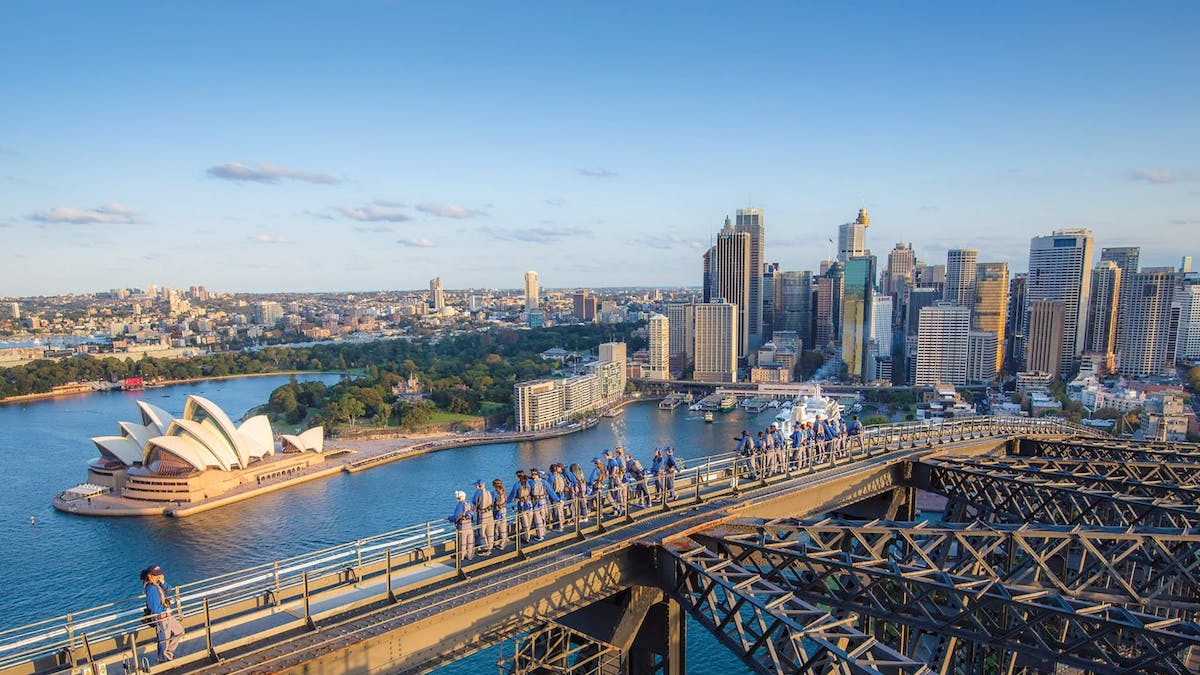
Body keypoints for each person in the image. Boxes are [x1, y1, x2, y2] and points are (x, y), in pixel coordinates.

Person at [142, 565, 184, 663]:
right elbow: (154, 608)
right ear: (150, 576)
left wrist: (163, 582)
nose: (158, 576)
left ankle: (168, 653)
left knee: (179, 631)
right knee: (164, 639)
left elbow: (169, 589)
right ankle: (163, 660)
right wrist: (166, 606)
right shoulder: (151, 589)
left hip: (166, 614)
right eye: (156, 575)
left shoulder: (157, 584)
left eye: (159, 574)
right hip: (160, 617)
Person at [446, 490, 475, 562]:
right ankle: (469, 555)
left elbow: (456, 516)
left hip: (462, 525)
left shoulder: (460, 505)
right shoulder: (469, 503)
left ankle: (461, 556)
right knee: (470, 541)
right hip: (469, 524)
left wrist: (449, 518)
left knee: (463, 541)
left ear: (459, 498)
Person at [508, 471, 534, 542]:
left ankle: (526, 538)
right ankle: (526, 535)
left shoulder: (517, 485)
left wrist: (507, 502)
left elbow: (512, 494)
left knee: (524, 521)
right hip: (529, 503)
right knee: (529, 521)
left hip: (522, 504)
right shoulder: (529, 483)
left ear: (518, 476)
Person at [471, 479, 494, 554]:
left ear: (478, 485)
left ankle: (485, 549)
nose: (475, 486)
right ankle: (490, 547)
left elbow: (474, 504)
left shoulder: (478, 493)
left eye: (476, 485)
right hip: (490, 513)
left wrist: (472, 515)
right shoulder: (488, 492)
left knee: (482, 532)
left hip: (482, 515)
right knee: (490, 531)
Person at [491, 478, 509, 550]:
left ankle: (496, 542)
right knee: (503, 526)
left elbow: (491, 503)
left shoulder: (494, 493)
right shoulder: (504, 492)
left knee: (496, 527)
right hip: (504, 509)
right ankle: (502, 543)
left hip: (497, 510)